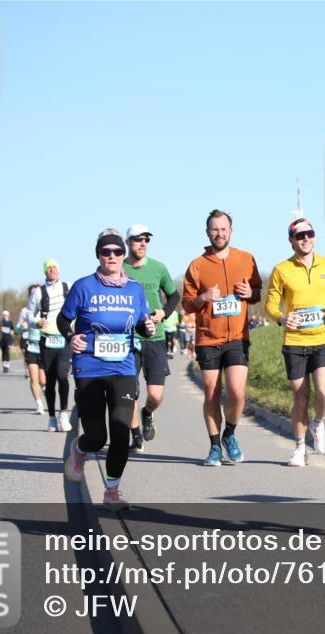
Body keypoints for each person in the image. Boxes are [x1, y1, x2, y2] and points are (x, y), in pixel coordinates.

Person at [61, 229, 155, 510]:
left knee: (121, 430)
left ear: (123, 256)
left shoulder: (134, 289)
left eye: (116, 252)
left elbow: (140, 323)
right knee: (96, 436)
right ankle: (80, 450)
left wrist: (146, 328)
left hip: (123, 366)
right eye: (106, 252)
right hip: (89, 366)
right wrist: (70, 336)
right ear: (99, 255)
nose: (111, 256)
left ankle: (112, 491)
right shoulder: (83, 286)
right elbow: (63, 319)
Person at [182, 209, 262, 466]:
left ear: (231, 230)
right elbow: (187, 304)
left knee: (237, 393)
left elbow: (258, 292)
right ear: (208, 233)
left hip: (238, 336)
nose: (219, 233)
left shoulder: (246, 259)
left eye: (223, 229)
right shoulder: (197, 265)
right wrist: (203, 298)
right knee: (211, 394)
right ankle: (215, 446)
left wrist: (250, 292)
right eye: (214, 229)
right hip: (208, 338)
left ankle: (229, 433)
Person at [265, 218, 325, 467]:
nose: (305, 238)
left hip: (323, 339)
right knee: (300, 397)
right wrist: (282, 317)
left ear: (314, 236)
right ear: (291, 240)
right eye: (299, 236)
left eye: (309, 233)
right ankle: (299, 448)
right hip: (295, 342)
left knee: (323, 391)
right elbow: (271, 305)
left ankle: (318, 422)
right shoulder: (281, 269)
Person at [123, 224, 180, 451]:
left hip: (155, 337)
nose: (143, 243)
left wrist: (163, 313)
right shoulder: (121, 268)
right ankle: (136, 436)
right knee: (130, 391)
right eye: (138, 239)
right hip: (128, 339)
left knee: (155, 395)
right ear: (128, 242)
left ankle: (147, 413)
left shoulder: (158, 268)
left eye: (147, 239)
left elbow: (174, 296)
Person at [26, 259, 72, 432]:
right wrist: (36, 322)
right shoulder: (38, 292)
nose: (51, 270)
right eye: (48, 268)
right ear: (45, 272)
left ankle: (64, 414)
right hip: (46, 339)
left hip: (64, 338)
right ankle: (52, 417)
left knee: (62, 375)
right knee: (50, 381)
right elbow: (30, 313)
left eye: (54, 267)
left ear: (58, 270)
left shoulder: (68, 287)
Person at [18, 285, 46, 414]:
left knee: (43, 380)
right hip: (31, 346)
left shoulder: (46, 309)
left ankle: (46, 391)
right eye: (32, 293)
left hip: (45, 346)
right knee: (33, 379)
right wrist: (22, 326)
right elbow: (18, 328)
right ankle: (39, 404)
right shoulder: (25, 311)